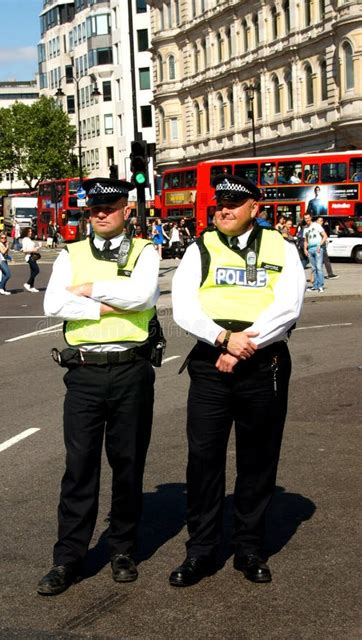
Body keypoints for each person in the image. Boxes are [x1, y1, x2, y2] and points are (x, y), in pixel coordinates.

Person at [170, 174, 305, 587]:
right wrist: (224, 339)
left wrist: (245, 345)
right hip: (212, 363)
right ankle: (202, 551)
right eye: (219, 203)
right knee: (204, 460)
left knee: (258, 460)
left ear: (255, 209)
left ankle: (249, 548)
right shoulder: (199, 248)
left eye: (233, 203)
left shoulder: (281, 248)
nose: (223, 209)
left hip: (264, 365)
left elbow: (290, 304)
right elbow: (182, 306)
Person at [38, 177, 161, 596]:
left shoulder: (146, 250)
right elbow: (54, 304)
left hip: (131, 370)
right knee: (79, 469)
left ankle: (123, 550)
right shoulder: (70, 253)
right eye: (94, 208)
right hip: (85, 374)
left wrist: (88, 291)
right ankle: (68, 558)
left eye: (109, 206)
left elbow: (144, 296)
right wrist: (113, 299)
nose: (101, 213)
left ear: (127, 210)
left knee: (127, 465)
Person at [303, 213, 327, 292]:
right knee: (314, 268)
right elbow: (306, 240)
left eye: (308, 218)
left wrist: (320, 245)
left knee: (319, 268)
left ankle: (320, 286)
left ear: (311, 217)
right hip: (310, 249)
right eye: (305, 218)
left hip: (317, 249)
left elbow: (325, 236)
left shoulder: (317, 225)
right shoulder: (305, 229)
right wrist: (305, 249)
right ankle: (315, 286)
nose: (307, 219)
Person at [21, 227, 41, 292]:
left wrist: (38, 247)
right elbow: (24, 250)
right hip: (29, 257)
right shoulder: (25, 239)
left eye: (31, 231)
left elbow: (33, 248)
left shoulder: (29, 239)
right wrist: (33, 250)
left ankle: (32, 287)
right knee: (36, 270)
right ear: (26, 232)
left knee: (33, 271)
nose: (30, 232)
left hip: (33, 256)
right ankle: (27, 283)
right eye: (29, 231)